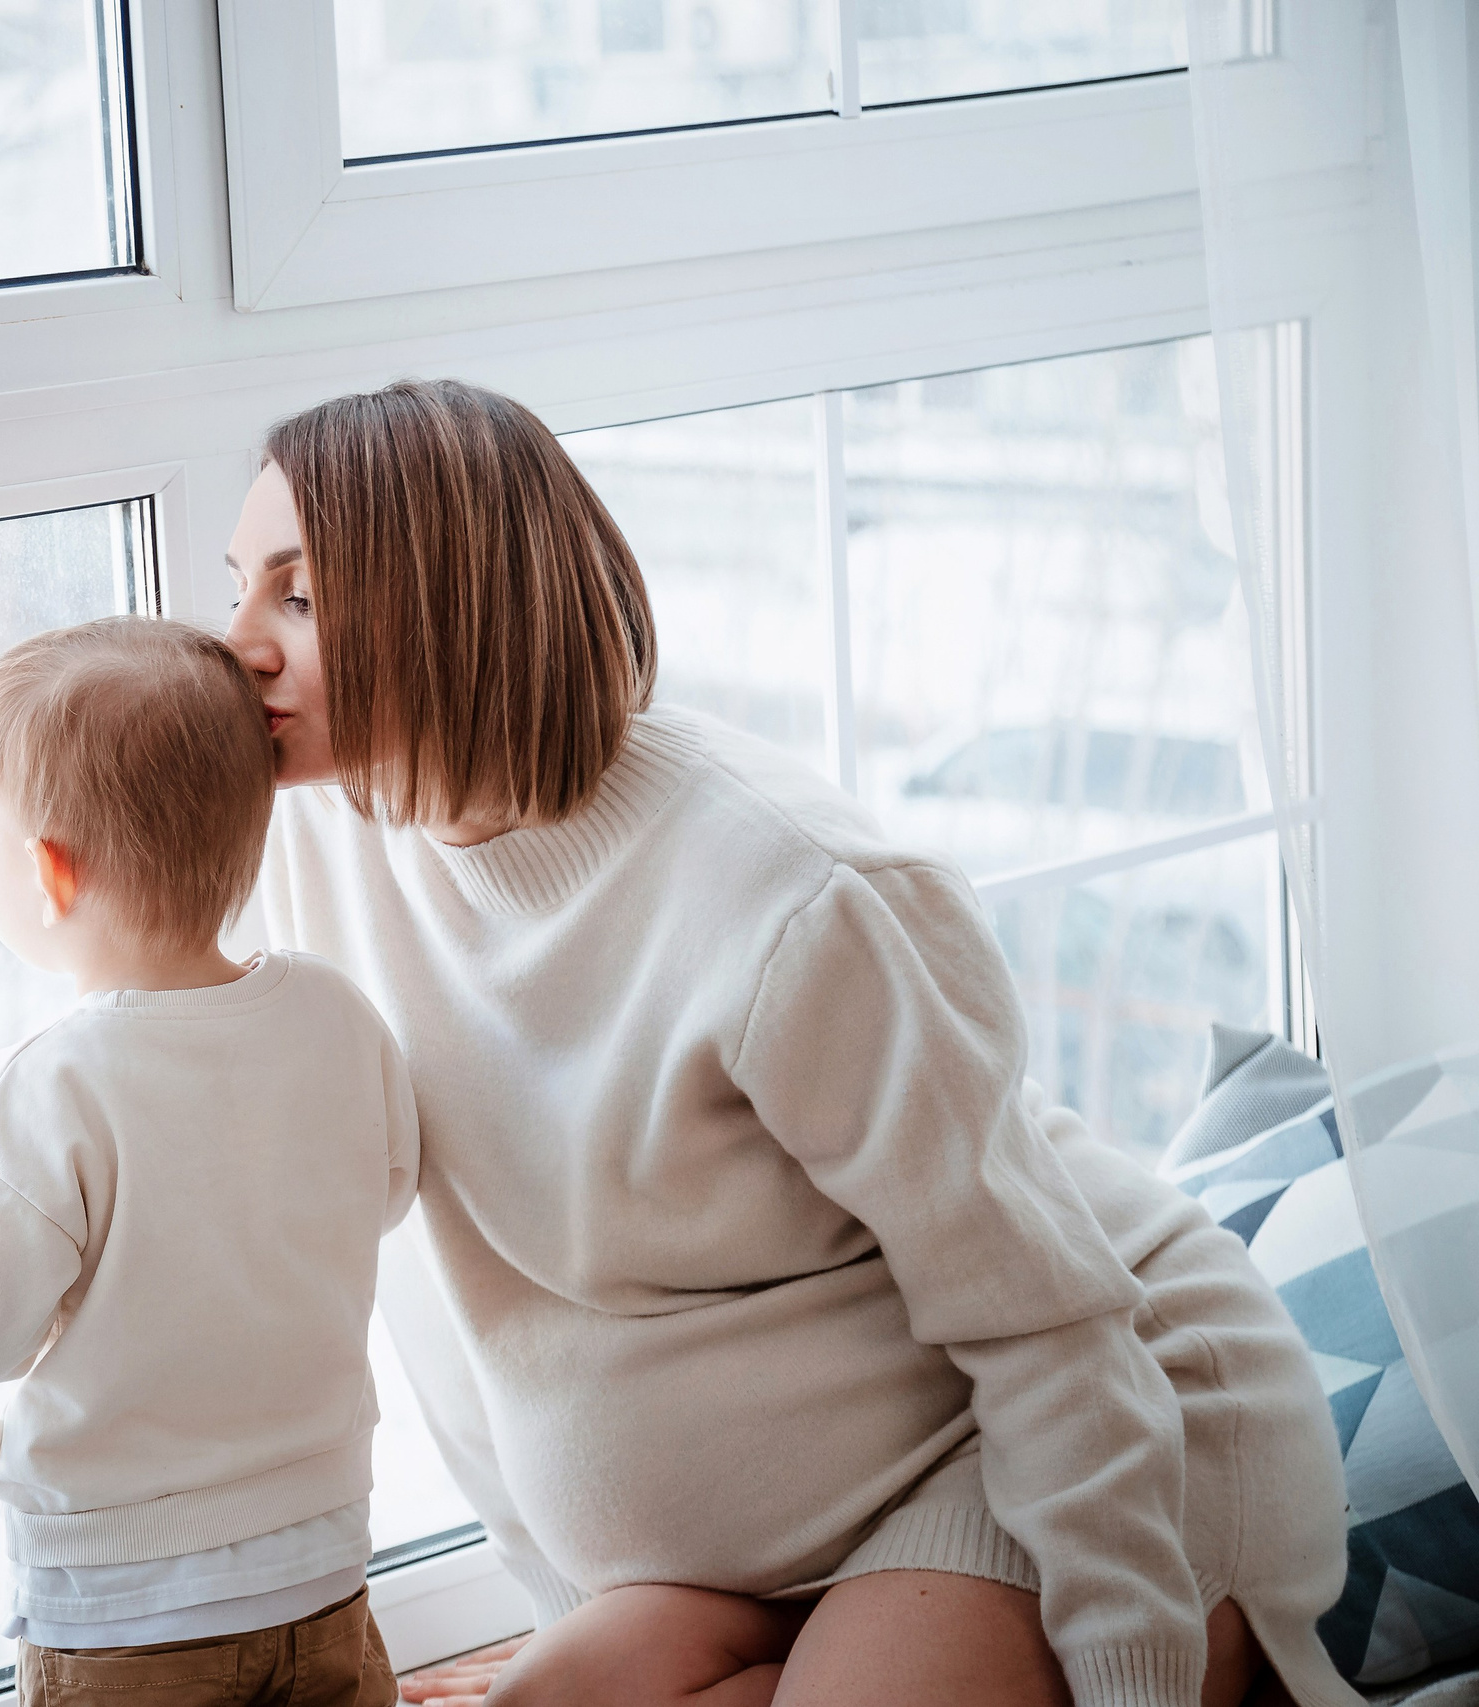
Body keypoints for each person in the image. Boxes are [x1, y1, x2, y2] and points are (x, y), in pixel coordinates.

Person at [226, 379, 1360, 1707]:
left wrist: (1134, 1677)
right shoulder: (324, 838)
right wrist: (565, 1598)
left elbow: (1050, 1325)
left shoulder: (792, 895)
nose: (237, 639)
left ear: (457, 604)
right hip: (778, 1529)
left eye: (295, 597)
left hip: (1069, 1428)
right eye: (240, 583)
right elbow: (457, 1309)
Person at [0, 615, 420, 1707]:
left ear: (47, 871)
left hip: (130, 1610)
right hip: (323, 1562)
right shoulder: (334, 1011)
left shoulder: (54, 1081)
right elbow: (389, 1188)